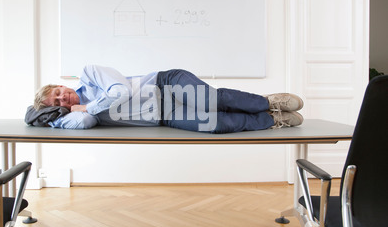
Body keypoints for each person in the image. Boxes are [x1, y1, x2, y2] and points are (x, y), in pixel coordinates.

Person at [31, 65, 304, 134]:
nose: (62, 99)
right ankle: (271, 120)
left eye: (58, 93)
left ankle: (267, 102)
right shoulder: (78, 113)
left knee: (209, 100)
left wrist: (85, 105)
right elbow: (87, 121)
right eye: (57, 105)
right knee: (216, 126)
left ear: (60, 84)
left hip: (166, 84)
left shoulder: (90, 74)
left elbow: (121, 92)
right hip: (164, 115)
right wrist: (54, 120)